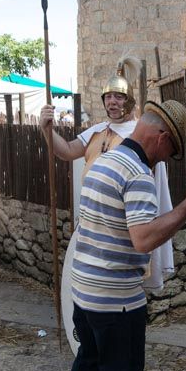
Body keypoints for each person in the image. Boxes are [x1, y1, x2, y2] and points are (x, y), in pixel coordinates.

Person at [41, 99, 186, 371]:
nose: (166, 159)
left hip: (85, 286)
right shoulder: (137, 173)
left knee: (90, 358)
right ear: (161, 137)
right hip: (115, 296)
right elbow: (144, 239)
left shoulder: (104, 161)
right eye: (170, 151)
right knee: (123, 370)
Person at [40, 55, 176, 288]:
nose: (112, 102)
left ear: (130, 100)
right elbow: (68, 151)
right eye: (108, 97)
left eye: (119, 97)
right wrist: (46, 129)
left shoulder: (140, 135)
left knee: (124, 281)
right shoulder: (97, 130)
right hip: (95, 217)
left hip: (126, 220)